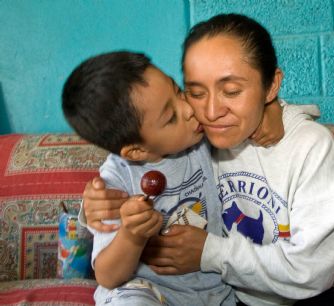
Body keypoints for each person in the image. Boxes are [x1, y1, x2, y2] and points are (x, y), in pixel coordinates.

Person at [81, 14, 334, 306]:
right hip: (244, 297)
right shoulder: (199, 138)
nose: (209, 111)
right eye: (195, 92)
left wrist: (209, 252)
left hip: (322, 296)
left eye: (231, 91)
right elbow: (142, 151)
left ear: (271, 86)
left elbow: (311, 272)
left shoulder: (312, 148)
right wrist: (97, 203)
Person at [62, 51, 239, 305]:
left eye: (178, 91)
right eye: (171, 117)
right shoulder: (116, 181)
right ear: (137, 151)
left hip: (214, 292)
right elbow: (107, 276)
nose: (189, 109)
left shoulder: (206, 140)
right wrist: (132, 236)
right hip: (148, 290)